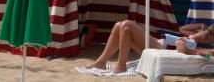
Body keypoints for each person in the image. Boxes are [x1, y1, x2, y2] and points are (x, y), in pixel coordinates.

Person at [86, 21, 214, 74]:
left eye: (209, 33)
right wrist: (201, 26)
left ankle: (121, 65)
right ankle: (101, 62)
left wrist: (190, 50)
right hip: (161, 43)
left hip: (164, 49)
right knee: (119, 25)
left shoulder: (209, 47)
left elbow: (209, 57)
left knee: (126, 26)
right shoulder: (193, 37)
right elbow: (182, 28)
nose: (205, 32)